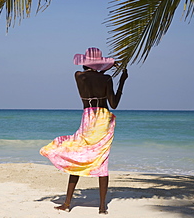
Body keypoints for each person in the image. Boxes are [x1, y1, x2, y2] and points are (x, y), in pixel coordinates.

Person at [40, 47, 128, 214]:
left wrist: (105, 67)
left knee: (77, 157)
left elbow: (89, 74)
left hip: (88, 118)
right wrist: (122, 79)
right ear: (100, 64)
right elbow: (114, 104)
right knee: (102, 160)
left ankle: (67, 203)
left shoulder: (79, 76)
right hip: (103, 119)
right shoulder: (107, 79)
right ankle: (102, 207)